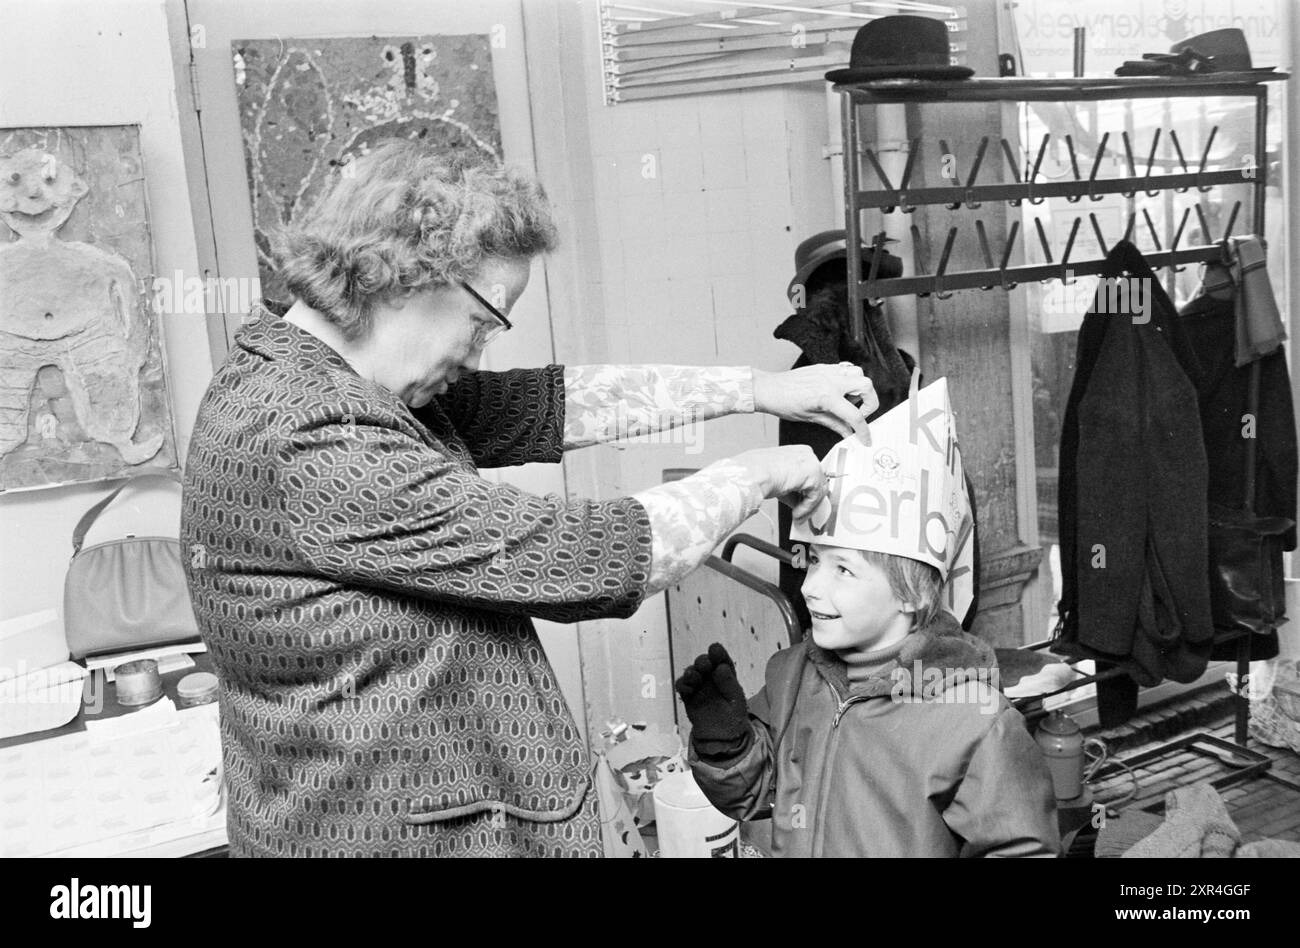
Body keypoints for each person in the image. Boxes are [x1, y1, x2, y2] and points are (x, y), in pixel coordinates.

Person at [179, 140, 879, 857]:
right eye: (484, 321)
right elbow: (592, 556)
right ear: (407, 277)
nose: (479, 353)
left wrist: (762, 389)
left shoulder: (318, 376)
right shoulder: (311, 437)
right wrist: (760, 472)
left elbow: (552, 405)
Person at [676, 381, 1060, 858]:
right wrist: (727, 743)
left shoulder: (974, 722)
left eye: (843, 569)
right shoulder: (791, 675)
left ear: (909, 593)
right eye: (814, 560)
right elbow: (758, 796)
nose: (812, 585)